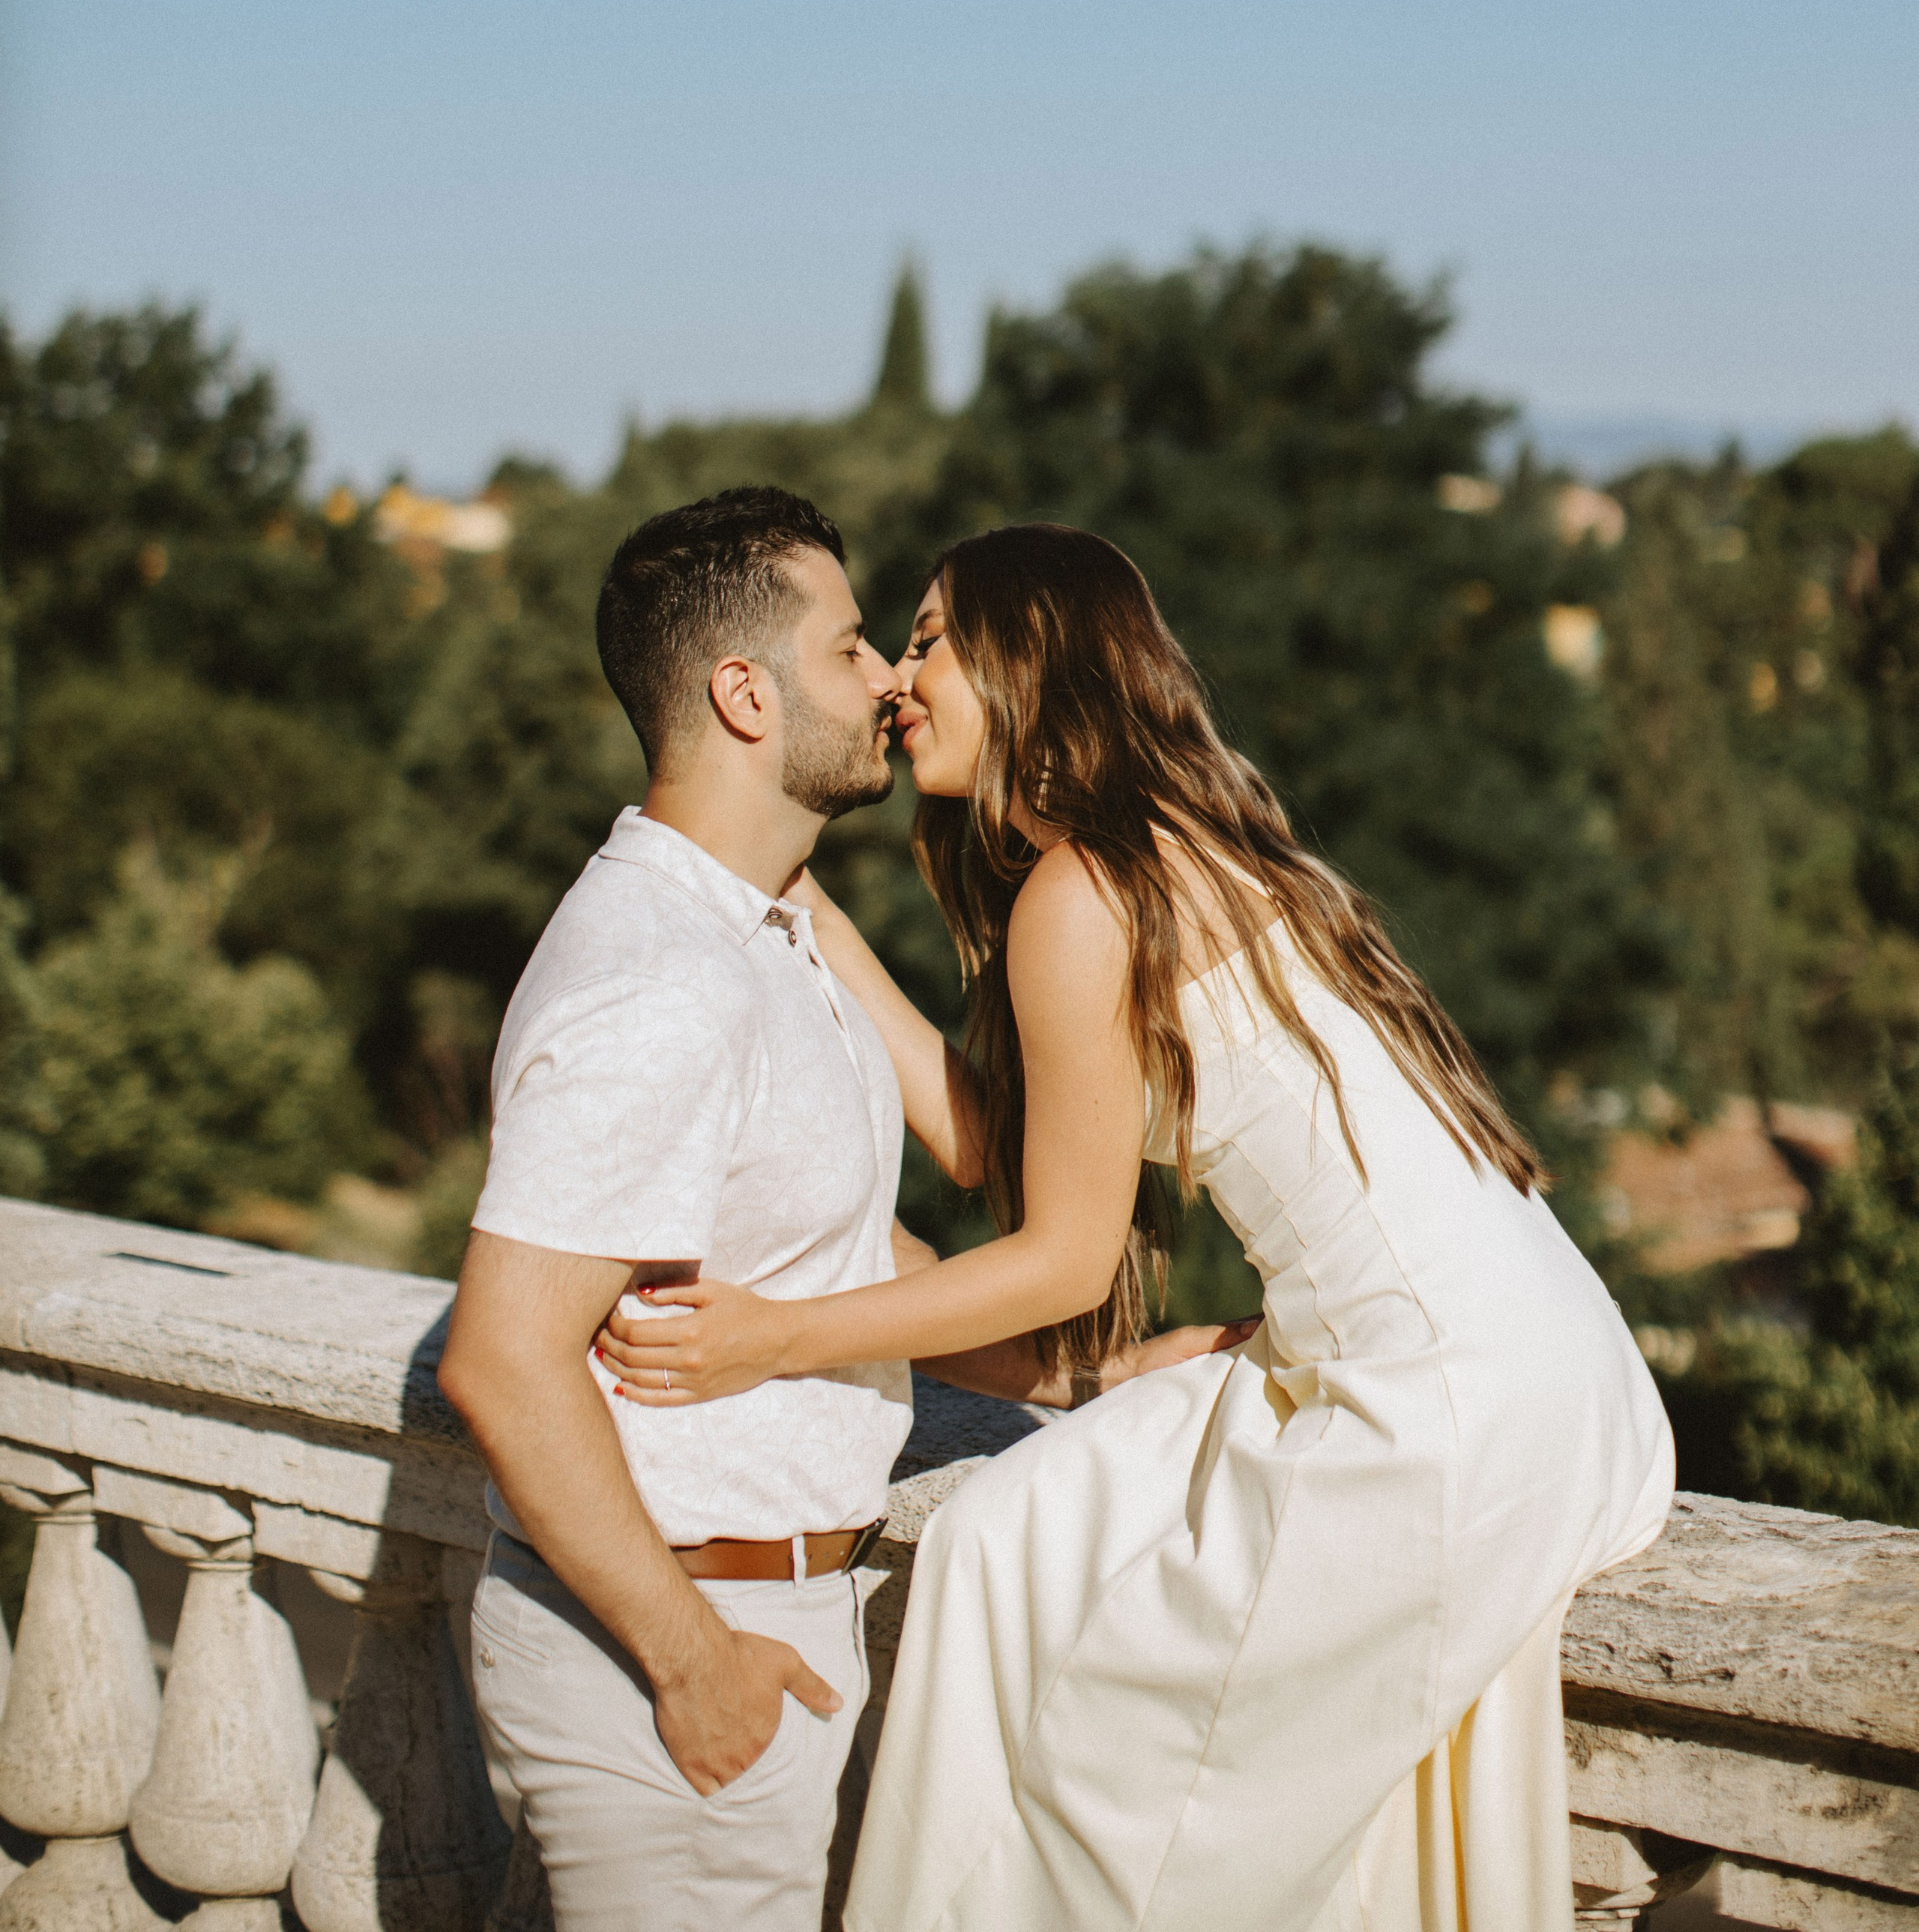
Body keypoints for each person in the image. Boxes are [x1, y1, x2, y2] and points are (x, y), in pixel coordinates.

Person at [596, 520, 1676, 1932]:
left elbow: (1061, 1256)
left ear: (1023, 656)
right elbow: (1012, 1150)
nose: (899, 677)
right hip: (1547, 1368)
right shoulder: (1165, 851)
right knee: (1009, 1536)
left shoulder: (1082, 892)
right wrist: (805, 917)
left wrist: (776, 1340)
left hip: (1444, 1413)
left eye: (927, 640)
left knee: (1113, 1793)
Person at [437, 488, 1231, 1932]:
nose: (893, 680)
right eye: (854, 645)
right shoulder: (662, 979)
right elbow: (500, 1359)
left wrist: (1096, 1375)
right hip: (677, 1647)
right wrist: (696, 1664)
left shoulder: (764, 939)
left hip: (760, 1620)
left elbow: (855, 1266)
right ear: (744, 692)